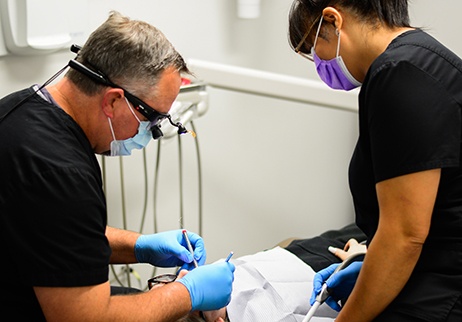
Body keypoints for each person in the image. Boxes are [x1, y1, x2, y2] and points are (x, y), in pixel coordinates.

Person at [0, 11, 234, 321]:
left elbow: (55, 233)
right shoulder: (60, 171)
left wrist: (140, 247)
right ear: (113, 101)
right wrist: (186, 293)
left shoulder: (20, 108)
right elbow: (87, 318)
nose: (151, 132)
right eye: (151, 119)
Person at [288, 0, 462, 321]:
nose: (319, 63)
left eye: (314, 48)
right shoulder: (418, 61)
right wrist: (369, 264)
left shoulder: (400, 73)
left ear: (332, 20)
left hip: (442, 292)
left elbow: (405, 235)